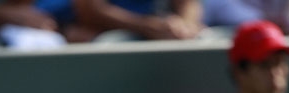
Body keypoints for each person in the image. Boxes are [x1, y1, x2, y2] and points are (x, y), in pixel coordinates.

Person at [71, 0, 204, 43]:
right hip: (117, 34)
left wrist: (185, 26)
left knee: (205, 40)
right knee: (107, 44)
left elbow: (188, 4)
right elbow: (90, 9)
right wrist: (146, 26)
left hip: (169, 34)